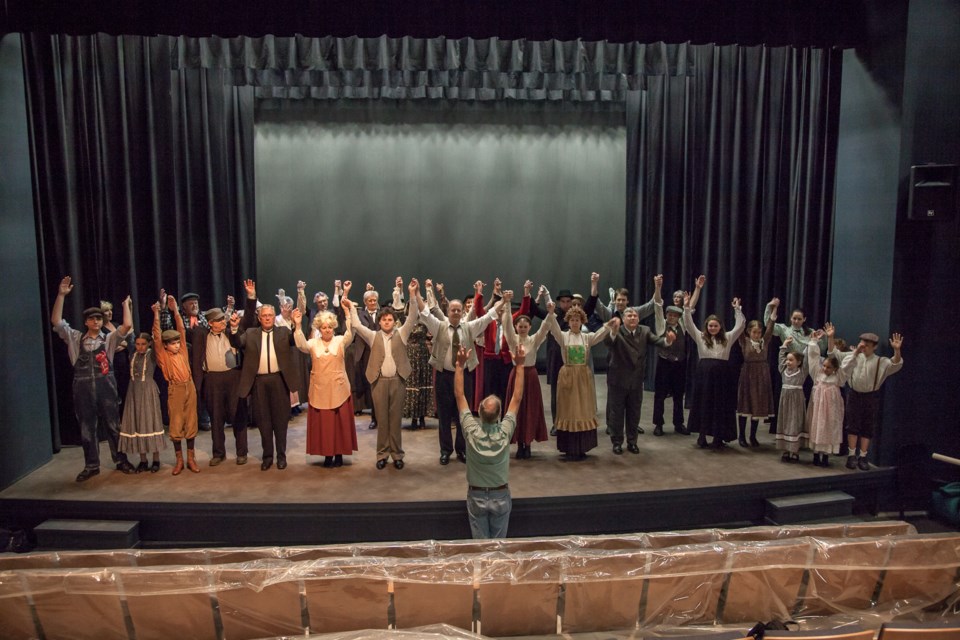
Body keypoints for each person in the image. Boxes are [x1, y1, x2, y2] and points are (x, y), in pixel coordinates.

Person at [51, 277, 136, 482]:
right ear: (86, 322)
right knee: (87, 427)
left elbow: (126, 326)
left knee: (113, 424)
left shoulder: (108, 339)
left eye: (99, 318)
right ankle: (91, 465)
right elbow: (56, 321)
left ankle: (120, 459)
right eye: (92, 319)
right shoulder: (75, 337)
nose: (96, 321)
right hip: (82, 386)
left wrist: (126, 306)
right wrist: (61, 295)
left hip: (105, 383)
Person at [418, 284, 505, 465]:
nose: (456, 312)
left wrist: (504, 300)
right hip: (444, 376)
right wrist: (416, 293)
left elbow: (488, 317)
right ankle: (445, 451)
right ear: (448, 311)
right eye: (453, 310)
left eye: (458, 310)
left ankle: (462, 449)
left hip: (464, 376)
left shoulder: (469, 327)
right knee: (443, 415)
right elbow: (425, 313)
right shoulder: (439, 326)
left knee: (463, 415)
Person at [455, 343, 526, 539]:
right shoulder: (504, 432)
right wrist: (520, 366)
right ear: (499, 415)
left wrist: (459, 366)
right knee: (498, 549)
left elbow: (460, 396)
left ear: (478, 411)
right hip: (500, 495)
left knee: (481, 549)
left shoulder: (471, 432)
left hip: (476, 496)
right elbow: (517, 398)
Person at [350, 278, 422, 469]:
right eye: (384, 320)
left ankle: (397, 455)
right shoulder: (373, 336)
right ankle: (382, 454)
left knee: (395, 420)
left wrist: (413, 295)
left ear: (394, 321)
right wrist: (349, 304)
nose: (387, 322)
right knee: (382, 420)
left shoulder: (402, 333)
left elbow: (413, 316)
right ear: (380, 322)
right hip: (379, 382)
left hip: (397, 381)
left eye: (390, 319)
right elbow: (357, 325)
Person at [231, 279, 300, 471]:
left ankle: (281, 456)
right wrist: (235, 328)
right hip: (259, 382)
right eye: (265, 316)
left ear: (273, 317)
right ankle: (267, 457)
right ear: (259, 318)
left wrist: (296, 325)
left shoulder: (284, 332)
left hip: (279, 381)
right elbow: (237, 342)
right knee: (263, 422)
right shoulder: (251, 333)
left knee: (280, 422)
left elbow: (296, 341)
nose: (268, 318)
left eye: (270, 315)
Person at [547, 304, 617, 459]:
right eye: (572, 320)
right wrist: (551, 314)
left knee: (582, 409)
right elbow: (554, 329)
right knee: (568, 410)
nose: (574, 322)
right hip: (567, 376)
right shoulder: (563, 336)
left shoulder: (586, 337)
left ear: (582, 321)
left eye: (577, 320)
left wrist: (608, 325)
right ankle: (569, 447)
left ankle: (582, 447)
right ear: (568, 321)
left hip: (583, 378)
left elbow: (599, 335)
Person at [293, 301, 357, 468]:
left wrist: (348, 313)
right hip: (320, 390)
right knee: (325, 426)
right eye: (324, 327)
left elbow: (352, 332)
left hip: (339, 389)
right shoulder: (313, 343)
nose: (327, 330)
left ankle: (339, 454)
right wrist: (298, 326)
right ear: (319, 329)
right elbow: (300, 345)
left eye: (330, 327)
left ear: (334, 327)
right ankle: (327, 455)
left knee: (339, 425)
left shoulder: (340, 341)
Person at [683, 280, 746, 449]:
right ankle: (702, 436)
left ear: (720, 326)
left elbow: (740, 326)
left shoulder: (727, 337)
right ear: (706, 326)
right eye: (710, 325)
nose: (712, 328)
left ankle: (718, 436)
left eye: (715, 325)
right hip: (704, 374)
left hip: (722, 376)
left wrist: (737, 309)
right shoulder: (700, 336)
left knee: (720, 405)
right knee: (704, 404)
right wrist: (687, 308)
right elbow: (688, 325)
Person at [604, 307, 674, 455]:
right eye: (629, 315)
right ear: (623, 319)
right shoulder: (618, 330)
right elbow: (609, 342)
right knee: (616, 413)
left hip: (636, 380)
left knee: (634, 412)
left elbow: (658, 341)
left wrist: (668, 341)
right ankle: (617, 442)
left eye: (635, 315)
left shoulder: (645, 331)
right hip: (618, 380)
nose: (633, 318)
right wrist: (613, 331)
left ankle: (632, 441)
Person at [187, 306, 248, 466]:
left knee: (238, 415)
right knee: (216, 417)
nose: (223, 322)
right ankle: (218, 453)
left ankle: (242, 452)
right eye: (219, 320)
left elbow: (242, 336)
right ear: (210, 323)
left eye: (223, 319)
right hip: (212, 379)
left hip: (233, 376)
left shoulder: (232, 332)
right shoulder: (202, 335)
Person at [152, 295, 200, 475]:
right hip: (176, 389)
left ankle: (191, 458)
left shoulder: (183, 352)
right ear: (166, 346)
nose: (176, 345)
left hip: (190, 387)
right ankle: (179, 460)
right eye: (172, 343)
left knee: (191, 423)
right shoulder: (163, 357)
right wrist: (156, 314)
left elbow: (181, 328)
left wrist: (175, 311)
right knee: (176, 424)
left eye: (178, 342)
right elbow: (156, 337)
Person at [841, 331, 904, 471]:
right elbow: (842, 366)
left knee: (867, 426)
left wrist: (897, 350)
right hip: (854, 394)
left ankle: (863, 457)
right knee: (852, 424)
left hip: (871, 396)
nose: (864, 348)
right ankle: (851, 455)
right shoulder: (854, 357)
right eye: (862, 345)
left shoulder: (880, 361)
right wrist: (856, 352)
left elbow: (896, 364)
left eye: (867, 346)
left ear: (874, 347)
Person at [502, 299, 554, 459]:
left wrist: (551, 313)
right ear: (517, 328)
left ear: (530, 327)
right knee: (516, 411)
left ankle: (528, 443)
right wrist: (508, 304)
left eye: (525, 326)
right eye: (520, 326)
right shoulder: (512, 340)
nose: (523, 329)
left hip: (530, 377)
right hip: (516, 375)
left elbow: (545, 328)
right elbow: (506, 325)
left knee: (530, 410)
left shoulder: (534, 340)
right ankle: (519, 444)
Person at [651, 274, 703, 436]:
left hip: (680, 363)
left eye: (675, 315)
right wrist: (658, 287)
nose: (672, 317)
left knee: (679, 395)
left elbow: (689, 307)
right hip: (664, 362)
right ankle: (658, 424)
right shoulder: (661, 324)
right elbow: (658, 304)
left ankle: (678, 423)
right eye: (670, 315)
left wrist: (698, 288)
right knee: (660, 395)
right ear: (667, 315)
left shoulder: (683, 323)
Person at [806, 324, 855, 467]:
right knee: (818, 427)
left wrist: (856, 353)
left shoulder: (838, 377)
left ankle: (826, 456)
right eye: (825, 366)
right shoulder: (817, 374)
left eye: (829, 367)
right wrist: (814, 342)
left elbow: (848, 367)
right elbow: (813, 358)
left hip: (832, 410)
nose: (826, 369)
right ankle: (816, 454)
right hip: (819, 409)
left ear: (835, 368)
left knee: (829, 427)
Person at [119, 333, 166, 472]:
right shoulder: (133, 355)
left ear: (149, 344)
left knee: (150, 422)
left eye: (143, 344)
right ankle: (143, 460)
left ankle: (156, 459)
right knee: (138, 423)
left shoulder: (152, 355)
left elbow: (158, 341)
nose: (140, 347)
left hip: (148, 390)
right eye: (138, 344)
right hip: (133, 391)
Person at [736, 308, 777, 447]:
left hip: (762, 374)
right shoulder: (744, 341)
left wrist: (773, 311)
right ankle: (741, 435)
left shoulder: (764, 341)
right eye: (754, 332)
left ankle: (753, 436)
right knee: (745, 404)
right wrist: (738, 311)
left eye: (759, 332)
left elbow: (770, 328)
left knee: (758, 405)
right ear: (749, 332)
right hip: (748, 373)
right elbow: (739, 327)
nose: (757, 334)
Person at [775, 337, 808, 461]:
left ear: (798, 362)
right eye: (787, 360)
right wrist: (784, 345)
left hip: (796, 400)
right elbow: (780, 359)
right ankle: (785, 449)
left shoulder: (802, 372)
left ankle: (794, 450)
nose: (788, 362)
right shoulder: (783, 370)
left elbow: (808, 359)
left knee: (795, 422)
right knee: (785, 422)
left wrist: (811, 344)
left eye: (791, 360)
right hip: (785, 399)